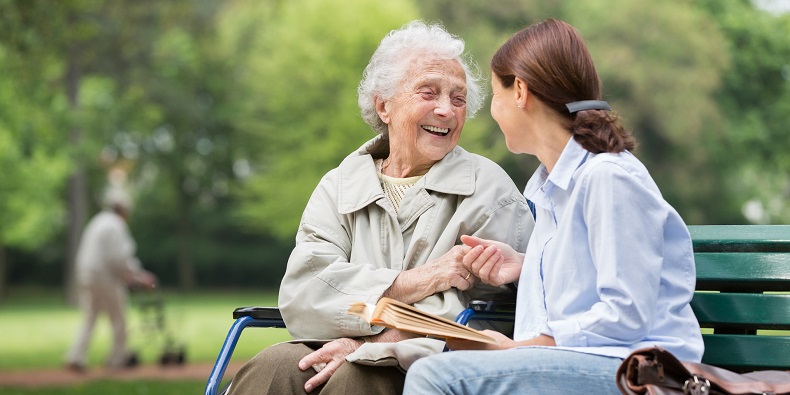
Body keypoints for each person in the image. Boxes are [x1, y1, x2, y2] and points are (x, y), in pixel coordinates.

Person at [228, 20, 533, 395]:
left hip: (436, 361)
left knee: (357, 377)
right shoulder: (339, 186)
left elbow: (499, 314)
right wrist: (421, 280)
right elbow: (304, 293)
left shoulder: (489, 189)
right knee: (270, 369)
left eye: (458, 98)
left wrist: (367, 344)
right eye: (428, 92)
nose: (446, 110)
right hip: (337, 343)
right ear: (383, 105)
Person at [403, 18, 704, 394]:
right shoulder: (551, 189)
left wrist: (523, 348)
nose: (492, 112)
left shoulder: (608, 178)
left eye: (496, 97)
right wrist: (525, 266)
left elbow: (627, 313)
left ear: (521, 92)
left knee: (435, 375)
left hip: (636, 372)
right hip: (587, 366)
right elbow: (599, 272)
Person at [65, 187, 157, 373]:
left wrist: (132, 276)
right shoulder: (116, 225)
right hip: (104, 277)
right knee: (119, 318)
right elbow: (120, 258)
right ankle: (117, 359)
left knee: (90, 317)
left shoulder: (98, 221)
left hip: (86, 275)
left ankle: (76, 356)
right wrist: (140, 276)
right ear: (123, 209)